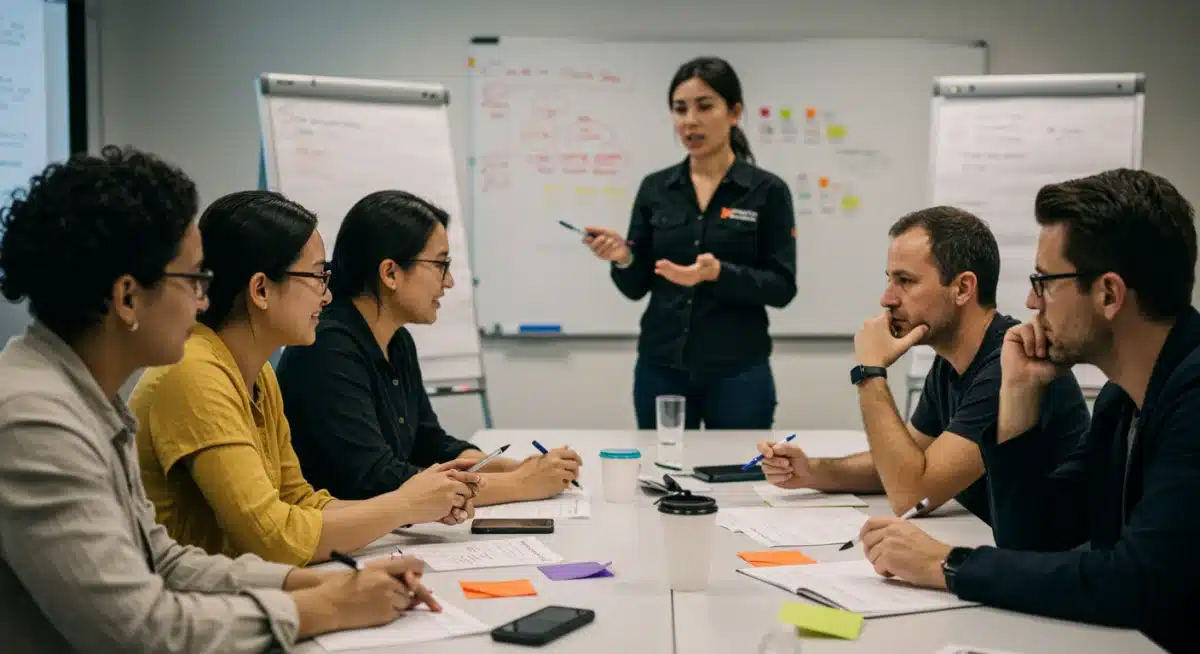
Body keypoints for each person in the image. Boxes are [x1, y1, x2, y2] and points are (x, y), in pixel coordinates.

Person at [0, 146, 441, 653]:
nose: (205, 299)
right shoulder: (36, 421)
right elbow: (139, 628)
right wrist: (328, 607)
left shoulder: (81, 397)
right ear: (126, 298)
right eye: (192, 280)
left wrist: (321, 584)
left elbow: (163, 561)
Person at [857, 169, 1200, 653]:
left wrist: (948, 564)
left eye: (1045, 281)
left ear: (1108, 294)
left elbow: (1136, 581)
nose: (1030, 301)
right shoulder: (1120, 400)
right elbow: (1034, 539)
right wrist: (1017, 396)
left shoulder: (1193, 398)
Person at [129, 190, 483, 568]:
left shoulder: (257, 371)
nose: (327, 295)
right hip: (194, 603)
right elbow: (273, 537)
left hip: (241, 584)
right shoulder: (194, 372)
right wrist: (404, 505)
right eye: (316, 276)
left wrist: (413, 506)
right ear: (261, 290)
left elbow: (300, 500)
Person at [756, 207, 1089, 529]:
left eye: (905, 281)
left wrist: (870, 372)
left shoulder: (1009, 362)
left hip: (1045, 563)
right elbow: (900, 465)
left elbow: (912, 493)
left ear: (962, 288)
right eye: (890, 280)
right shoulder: (949, 362)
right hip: (989, 544)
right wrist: (811, 472)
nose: (887, 298)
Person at [276, 190, 581, 501]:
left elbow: (429, 442)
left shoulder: (397, 340)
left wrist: (514, 468)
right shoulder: (327, 346)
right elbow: (377, 479)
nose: (448, 282)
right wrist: (521, 485)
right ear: (390, 273)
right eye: (440, 265)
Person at [583, 56, 797, 429]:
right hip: (661, 367)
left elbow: (782, 287)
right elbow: (635, 288)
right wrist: (622, 259)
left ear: (734, 112)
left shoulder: (767, 191)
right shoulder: (656, 189)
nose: (690, 121)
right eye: (680, 109)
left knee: (737, 477)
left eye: (704, 106)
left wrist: (718, 273)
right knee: (661, 476)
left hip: (738, 370)